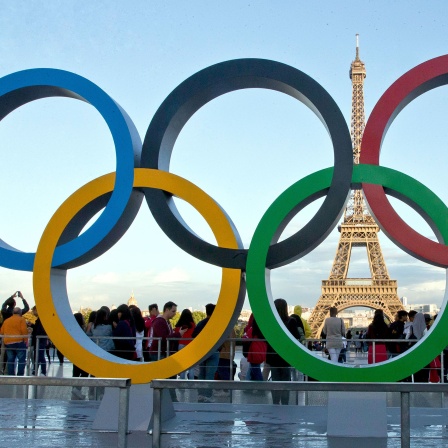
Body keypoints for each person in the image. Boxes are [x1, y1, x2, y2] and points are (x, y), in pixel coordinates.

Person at [266, 298, 299, 405]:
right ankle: (285, 403)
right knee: (285, 381)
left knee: (275, 380)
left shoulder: (271, 322)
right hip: (286, 356)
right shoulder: (292, 321)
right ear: (285, 308)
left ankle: (275, 402)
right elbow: (296, 337)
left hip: (273, 356)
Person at [192, 303, 219, 403]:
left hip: (202, 352)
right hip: (213, 351)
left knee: (202, 374)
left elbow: (194, 335)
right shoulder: (215, 323)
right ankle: (208, 395)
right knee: (210, 374)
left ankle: (201, 394)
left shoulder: (201, 323)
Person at [1, 291, 29, 374]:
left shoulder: (5, 316)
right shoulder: (21, 318)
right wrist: (22, 298)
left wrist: (11, 297)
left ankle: (10, 374)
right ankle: (19, 375)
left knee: (10, 359)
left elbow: (3, 305)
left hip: (8, 341)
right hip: (19, 341)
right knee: (21, 359)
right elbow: (24, 330)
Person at [175, 309, 196, 379]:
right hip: (191, 345)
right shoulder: (193, 325)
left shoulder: (179, 325)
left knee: (182, 365)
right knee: (191, 365)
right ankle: (191, 380)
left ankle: (182, 380)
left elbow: (176, 334)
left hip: (181, 344)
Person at [30, 306, 47, 376]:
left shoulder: (41, 320)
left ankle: (42, 371)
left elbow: (39, 330)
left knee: (39, 355)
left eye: (34, 311)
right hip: (39, 339)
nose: (33, 312)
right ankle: (37, 370)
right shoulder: (40, 320)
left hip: (40, 340)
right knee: (38, 355)